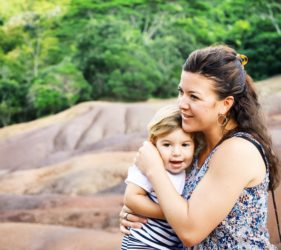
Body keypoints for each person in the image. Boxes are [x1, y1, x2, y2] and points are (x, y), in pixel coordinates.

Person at [120, 45, 280, 249]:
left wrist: (153, 169)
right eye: (181, 92)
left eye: (194, 97)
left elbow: (190, 230)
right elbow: (180, 210)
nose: (182, 104)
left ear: (225, 104)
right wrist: (139, 213)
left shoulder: (237, 150)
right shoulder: (195, 146)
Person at [121, 104, 196, 249]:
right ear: (154, 143)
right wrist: (174, 215)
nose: (176, 152)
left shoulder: (190, 170)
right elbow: (131, 198)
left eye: (185, 145)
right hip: (143, 244)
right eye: (167, 145)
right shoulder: (147, 165)